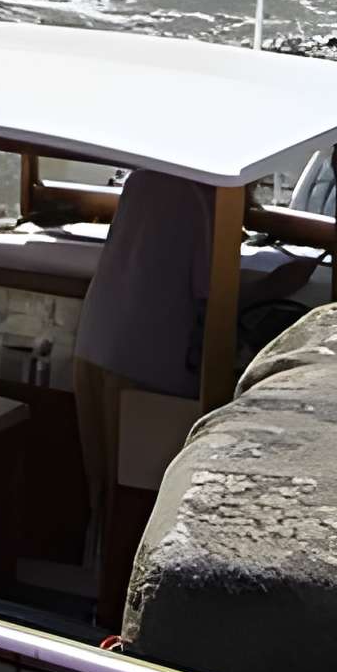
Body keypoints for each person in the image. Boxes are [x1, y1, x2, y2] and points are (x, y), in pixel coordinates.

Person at [71, 169, 216, 562]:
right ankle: (117, 600)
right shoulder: (203, 193)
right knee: (137, 495)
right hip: (144, 358)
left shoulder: (140, 179)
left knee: (100, 488)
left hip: (94, 341)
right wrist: (278, 285)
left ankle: (93, 580)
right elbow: (212, 288)